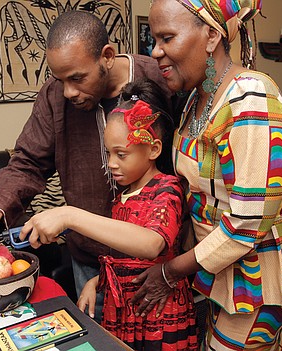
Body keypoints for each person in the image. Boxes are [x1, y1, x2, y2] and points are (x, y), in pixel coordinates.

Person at [130, 1, 282, 350]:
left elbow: (246, 224)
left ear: (212, 35)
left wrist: (171, 273)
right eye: (154, 39)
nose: (155, 51)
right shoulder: (197, 98)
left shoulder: (251, 100)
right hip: (222, 268)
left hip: (260, 270)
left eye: (167, 37)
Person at [0, 10, 172, 323]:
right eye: (59, 79)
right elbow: (29, 160)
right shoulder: (54, 97)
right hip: (91, 264)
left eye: (77, 78)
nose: (68, 92)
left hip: (153, 263)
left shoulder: (157, 78)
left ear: (106, 56)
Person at [21, 78, 198, 351]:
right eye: (108, 153)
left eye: (121, 154)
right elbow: (125, 261)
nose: (112, 163)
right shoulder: (121, 197)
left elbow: (151, 244)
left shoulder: (167, 189)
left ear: (153, 149)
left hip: (159, 316)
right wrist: (95, 282)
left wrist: (70, 216)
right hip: (126, 313)